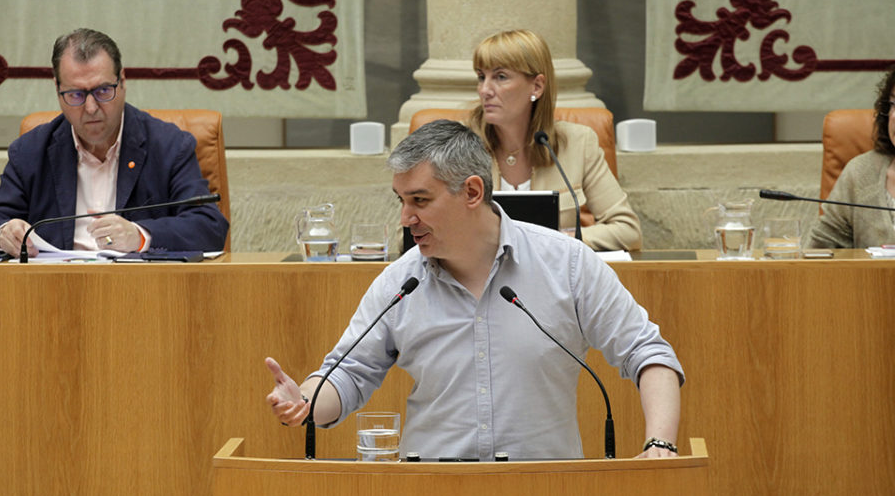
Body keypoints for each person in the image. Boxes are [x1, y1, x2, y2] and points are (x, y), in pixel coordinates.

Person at [265, 119, 683, 460]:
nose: (405, 218)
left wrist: (659, 444)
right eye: (401, 201)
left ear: (472, 191)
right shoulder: (399, 283)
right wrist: (304, 400)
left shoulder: (567, 264)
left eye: (420, 200)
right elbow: (349, 375)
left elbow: (649, 353)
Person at [0, 28, 229, 256]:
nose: (91, 108)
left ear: (123, 82)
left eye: (103, 91)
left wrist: (140, 236)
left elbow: (209, 227)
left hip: (144, 295)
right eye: (75, 94)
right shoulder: (31, 151)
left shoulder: (170, 145)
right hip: (54, 295)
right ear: (57, 90)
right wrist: (3, 233)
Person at [468, 29, 642, 251]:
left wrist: (557, 241)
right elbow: (417, 229)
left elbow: (628, 231)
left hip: (553, 279)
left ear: (537, 86)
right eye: (482, 77)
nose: (485, 90)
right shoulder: (458, 146)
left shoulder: (578, 143)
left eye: (500, 77)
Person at [808, 67, 895, 248]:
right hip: (869, 278)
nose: (894, 116)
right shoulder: (862, 172)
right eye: (893, 104)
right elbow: (822, 249)